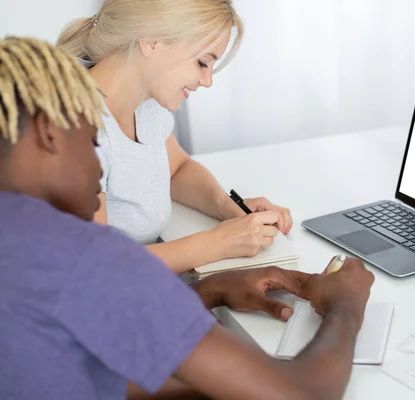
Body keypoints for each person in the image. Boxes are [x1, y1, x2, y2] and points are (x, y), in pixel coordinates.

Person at [0, 37, 374, 400]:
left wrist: (208, 291)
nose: (101, 170)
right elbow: (304, 393)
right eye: (92, 143)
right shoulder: (79, 254)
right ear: (49, 135)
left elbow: (73, 375)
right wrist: (346, 305)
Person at [57, 0, 293, 274]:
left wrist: (229, 207)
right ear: (151, 41)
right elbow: (96, 265)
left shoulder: (145, 102)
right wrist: (219, 241)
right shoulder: (70, 124)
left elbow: (177, 169)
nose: (207, 80)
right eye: (202, 62)